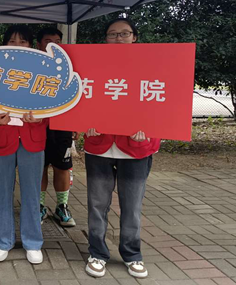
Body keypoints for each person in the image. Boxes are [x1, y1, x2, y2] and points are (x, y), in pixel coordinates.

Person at [84, 18, 160, 279]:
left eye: (124, 33)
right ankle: (97, 252)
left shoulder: (152, 65)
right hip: (99, 145)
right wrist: (84, 124)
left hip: (136, 147)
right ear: (105, 38)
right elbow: (82, 98)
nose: (118, 38)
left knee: (132, 205)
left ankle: (132, 254)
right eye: (112, 34)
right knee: (97, 204)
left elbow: (162, 103)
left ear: (134, 37)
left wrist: (150, 130)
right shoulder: (93, 65)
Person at [0, 25, 47, 265]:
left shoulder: (42, 70)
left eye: (23, 41)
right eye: (12, 41)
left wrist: (41, 117)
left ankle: (33, 242)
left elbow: (53, 102)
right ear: (4, 45)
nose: (18, 45)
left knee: (32, 192)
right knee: (2, 190)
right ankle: (3, 240)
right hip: (3, 135)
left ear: (31, 45)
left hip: (32, 136)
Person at [36, 27, 76, 227]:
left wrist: (77, 122)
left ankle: (62, 207)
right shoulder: (31, 65)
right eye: (48, 41)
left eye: (57, 42)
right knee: (40, 167)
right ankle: (39, 206)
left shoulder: (69, 66)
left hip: (62, 125)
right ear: (39, 45)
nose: (53, 45)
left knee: (63, 167)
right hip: (37, 127)